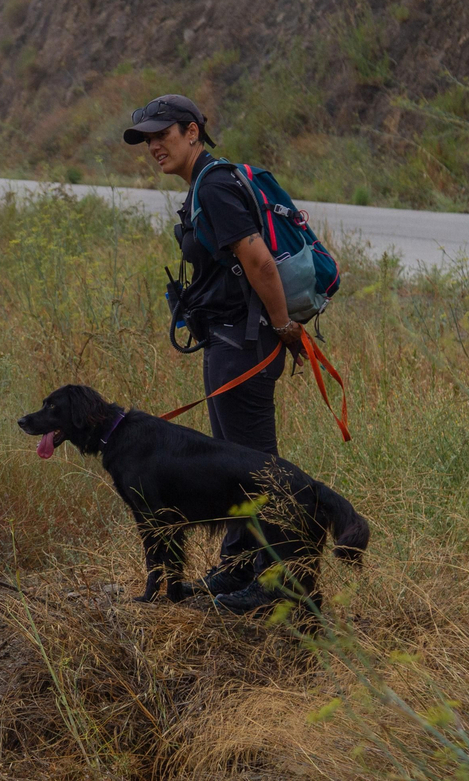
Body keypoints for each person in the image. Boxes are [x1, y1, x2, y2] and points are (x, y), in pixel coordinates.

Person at [123, 94, 308, 611]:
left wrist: (284, 326)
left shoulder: (215, 186)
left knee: (259, 470)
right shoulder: (203, 185)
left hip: (245, 344)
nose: (154, 146)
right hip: (227, 340)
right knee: (233, 465)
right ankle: (237, 568)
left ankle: (279, 584)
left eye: (163, 135)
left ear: (192, 132)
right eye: (147, 139)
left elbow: (260, 262)